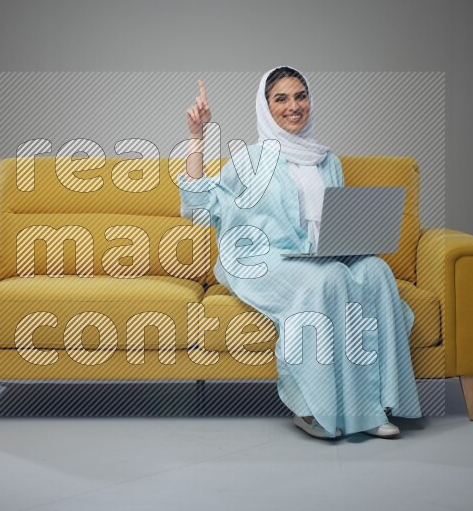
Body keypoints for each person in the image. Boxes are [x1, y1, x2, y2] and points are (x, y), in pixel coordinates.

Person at [177, 66, 423, 439]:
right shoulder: (250, 160)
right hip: (262, 259)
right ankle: (313, 410)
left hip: (315, 256)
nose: (293, 106)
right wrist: (197, 136)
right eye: (281, 99)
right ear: (266, 108)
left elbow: (333, 223)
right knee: (329, 278)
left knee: (376, 271)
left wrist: (351, 241)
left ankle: (373, 407)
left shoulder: (327, 161)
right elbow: (198, 206)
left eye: (300, 96)